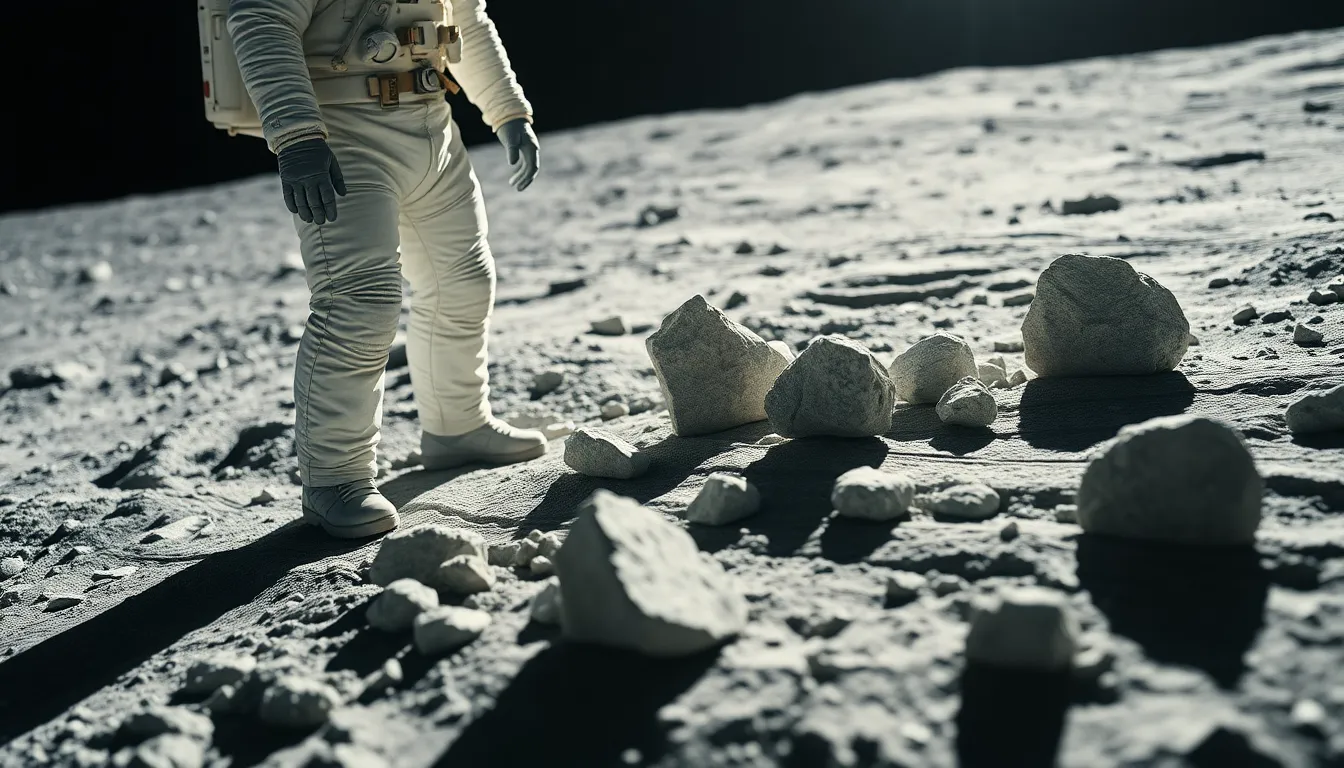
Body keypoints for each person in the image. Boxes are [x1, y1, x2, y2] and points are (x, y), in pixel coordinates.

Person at [227, 0, 547, 538]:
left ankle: (457, 425)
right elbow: (261, 19)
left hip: (432, 131)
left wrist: (509, 111)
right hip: (340, 136)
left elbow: (466, 21)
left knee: (463, 282)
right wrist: (297, 137)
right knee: (359, 302)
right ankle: (335, 476)